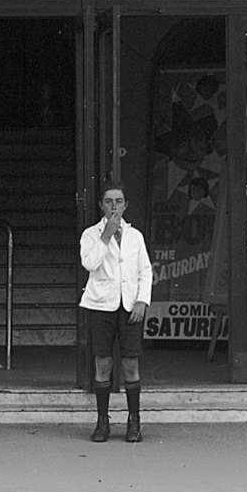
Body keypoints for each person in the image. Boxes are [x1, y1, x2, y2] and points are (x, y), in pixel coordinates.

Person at [78, 183, 154, 446]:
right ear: (101, 205)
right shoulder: (91, 234)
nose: (113, 206)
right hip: (101, 306)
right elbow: (89, 263)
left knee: (130, 364)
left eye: (118, 201)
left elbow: (145, 270)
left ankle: (134, 421)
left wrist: (142, 301)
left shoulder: (136, 236)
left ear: (125, 205)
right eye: (108, 201)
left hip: (130, 306)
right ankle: (102, 421)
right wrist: (106, 236)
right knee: (103, 363)